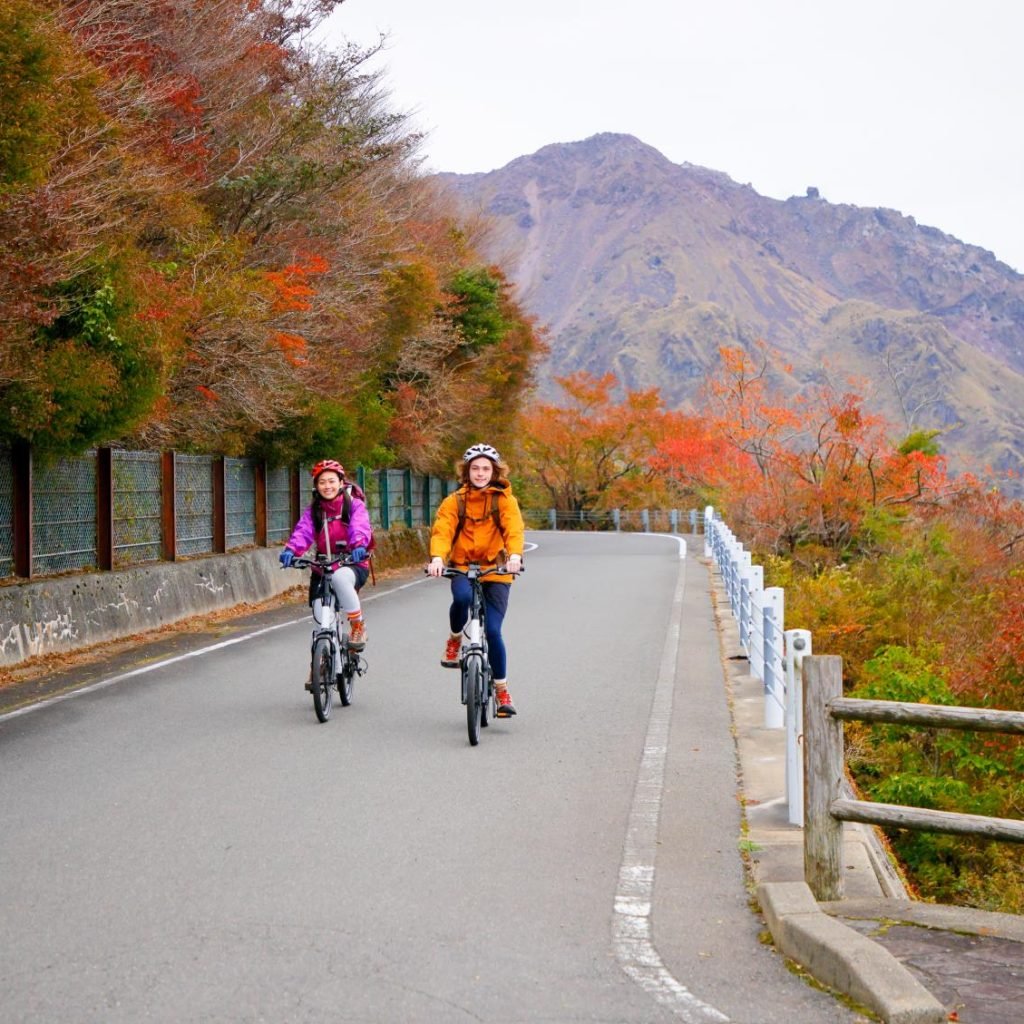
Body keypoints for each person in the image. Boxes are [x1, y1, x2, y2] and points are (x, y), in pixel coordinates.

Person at [427, 443, 525, 717]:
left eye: (485, 469)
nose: (480, 473)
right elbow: (443, 531)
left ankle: (502, 690)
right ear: (466, 471)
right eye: (475, 469)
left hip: (496, 570)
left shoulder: (504, 500)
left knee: (493, 631)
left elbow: (514, 529)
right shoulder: (454, 501)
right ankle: (455, 638)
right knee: (461, 598)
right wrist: (437, 558)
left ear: (494, 472)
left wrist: (514, 556)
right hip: (463, 567)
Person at [279, 460, 372, 663]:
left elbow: (360, 526)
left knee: (340, 578)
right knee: (321, 622)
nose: (327, 486)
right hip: (323, 567)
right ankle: (321, 666)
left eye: (331, 481)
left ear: (341, 483)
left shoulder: (353, 505)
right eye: (322, 482)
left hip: (351, 562)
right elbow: (303, 531)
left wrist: (358, 545)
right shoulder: (314, 510)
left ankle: (357, 625)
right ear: (316, 486)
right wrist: (291, 550)